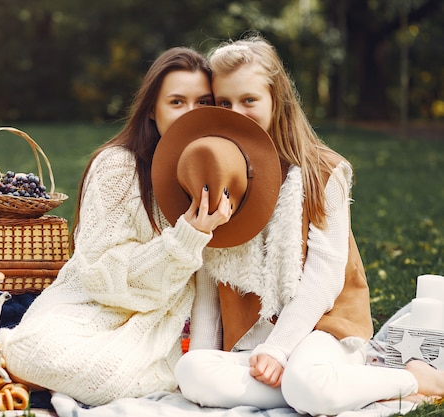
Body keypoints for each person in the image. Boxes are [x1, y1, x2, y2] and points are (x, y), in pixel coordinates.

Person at [173, 34, 444, 415]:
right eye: (224, 102)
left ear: (276, 100)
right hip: (256, 345)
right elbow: (207, 282)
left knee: (307, 383)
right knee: (192, 370)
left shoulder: (321, 170)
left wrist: (278, 348)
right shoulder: (217, 170)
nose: (235, 112)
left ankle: (410, 379)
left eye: (249, 100)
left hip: (322, 328)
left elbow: (324, 277)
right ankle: (323, 388)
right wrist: (200, 372)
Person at [0, 46, 233, 407]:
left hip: (165, 323)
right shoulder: (118, 167)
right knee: (35, 353)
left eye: (202, 102)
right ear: (153, 109)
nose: (190, 114)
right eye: (177, 102)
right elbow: (100, 275)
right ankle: (9, 360)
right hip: (96, 304)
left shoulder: (222, 169)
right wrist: (186, 239)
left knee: (153, 376)